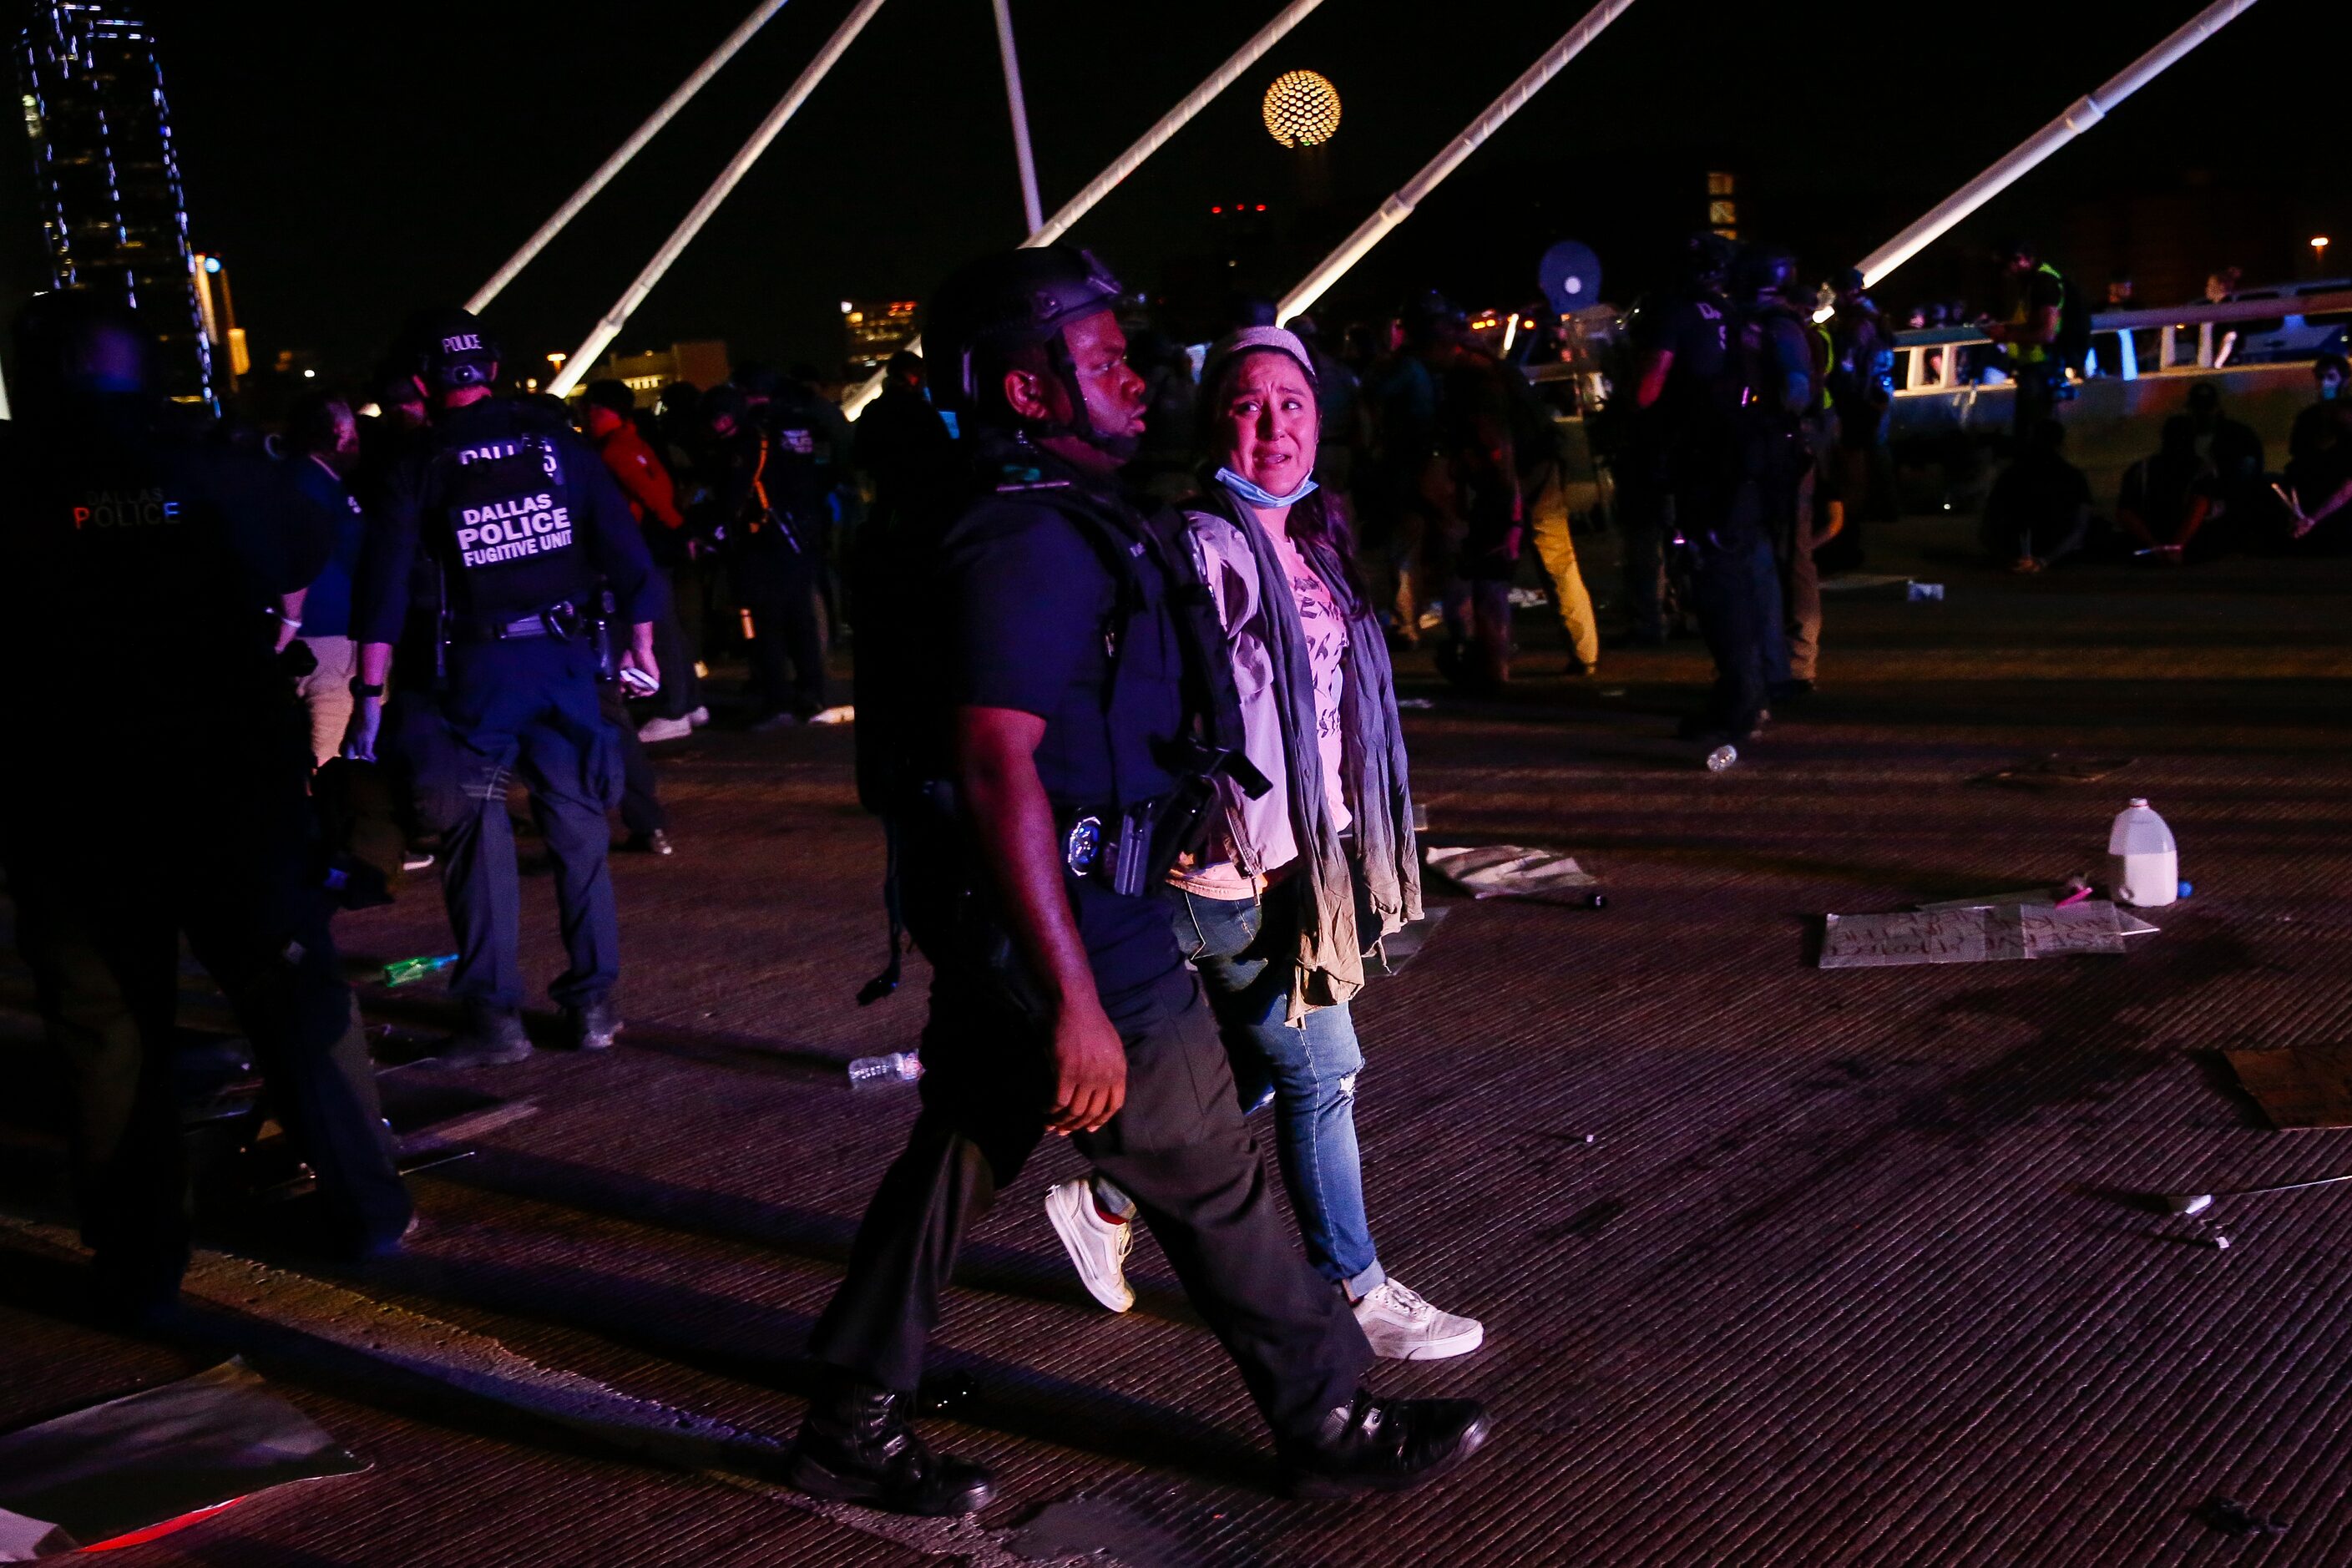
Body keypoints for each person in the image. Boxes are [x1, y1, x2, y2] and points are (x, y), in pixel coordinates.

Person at [797, 246, 1490, 1515]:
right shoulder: (1028, 537)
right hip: (1071, 921)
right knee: (1209, 1171)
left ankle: (851, 1407)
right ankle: (1328, 1415)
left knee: (959, 1144)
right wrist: (1073, 996)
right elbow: (997, 766)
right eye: (1102, 360)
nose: (1134, 376)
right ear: (1024, 389)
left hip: (1039, 910)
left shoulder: (1054, 511)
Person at [1040, 325, 1481, 1358]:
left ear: (1320, 418)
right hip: (1224, 861)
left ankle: (1105, 1203)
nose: (1273, 423)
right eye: (1248, 403)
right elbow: (1130, 700)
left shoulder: (1314, 537)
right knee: (1323, 1070)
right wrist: (1171, 814)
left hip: (1304, 855)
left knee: (1256, 1059)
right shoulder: (1196, 546)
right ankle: (1355, 1289)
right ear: (1215, 424)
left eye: (1292, 402)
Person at [0, 292, 412, 1322]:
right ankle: (365, 1207)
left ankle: (139, 1260)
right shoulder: (207, 462)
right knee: (294, 995)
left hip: (71, 792)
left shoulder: (14, 476)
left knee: (105, 1027)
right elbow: (302, 550)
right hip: (228, 781)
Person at [344, 309, 665, 1065]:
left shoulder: (416, 462)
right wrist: (641, 646)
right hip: (563, 667)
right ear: (492, 368)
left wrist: (368, 697)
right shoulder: (561, 445)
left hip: (476, 679)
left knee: (476, 835)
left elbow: (384, 588)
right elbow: (629, 560)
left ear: (423, 380)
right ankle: (592, 1007)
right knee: (580, 834)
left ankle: (497, 1021)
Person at [1647, 242, 1804, 747]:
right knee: (1749, 572)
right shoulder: (1741, 316)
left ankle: (1739, 701)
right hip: (1747, 457)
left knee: (1717, 579)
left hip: (1707, 461)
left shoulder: (1677, 311)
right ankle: (1755, 690)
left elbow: (1647, 388)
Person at [583, 379, 704, 746]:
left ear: (601, 411)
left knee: (656, 630)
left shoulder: (614, 449)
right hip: (654, 548)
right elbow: (662, 490)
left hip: (640, 550)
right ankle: (690, 703)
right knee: (668, 628)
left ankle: (673, 710)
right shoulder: (635, 441)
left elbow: (653, 497)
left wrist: (677, 530)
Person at [701, 384, 828, 727]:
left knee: (766, 627)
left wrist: (702, 531)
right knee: (801, 623)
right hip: (794, 542)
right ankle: (812, 695)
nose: (716, 426)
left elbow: (730, 500)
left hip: (762, 549)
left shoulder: (741, 448)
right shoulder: (776, 438)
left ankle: (778, 703)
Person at [280, 392, 372, 767]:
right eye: (352, 429)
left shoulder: (305, 479)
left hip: (317, 639)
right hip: (328, 641)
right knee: (330, 761)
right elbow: (298, 557)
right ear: (337, 432)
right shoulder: (310, 485)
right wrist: (291, 621)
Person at [1979, 240, 2073, 439]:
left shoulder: (2044, 283)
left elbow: (2047, 334)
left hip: (2041, 369)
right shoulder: (2034, 283)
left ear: (2021, 260)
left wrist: (2008, 335)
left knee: (2033, 436)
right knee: (2030, 434)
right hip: (2033, 368)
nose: (2007, 274)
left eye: (2007, 267)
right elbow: (2033, 324)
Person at [1980, 418, 2091, 571]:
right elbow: (2079, 528)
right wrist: (2044, 561)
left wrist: (2007, 558)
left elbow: (1988, 523)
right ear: (2060, 444)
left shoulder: (2011, 475)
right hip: (2057, 561)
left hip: (2012, 555)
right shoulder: (2073, 477)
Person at [2115, 416, 2217, 565]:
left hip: (2146, 546)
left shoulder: (2141, 469)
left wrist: (2153, 545)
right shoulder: (2202, 470)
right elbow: (2199, 507)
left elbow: (2125, 512)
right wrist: (2175, 547)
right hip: (2191, 547)